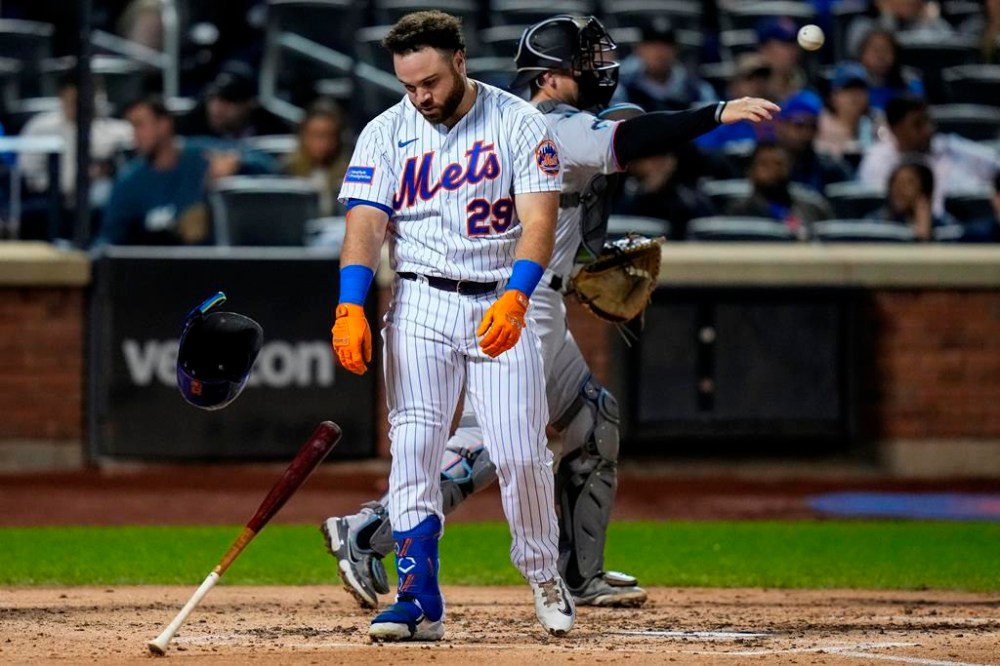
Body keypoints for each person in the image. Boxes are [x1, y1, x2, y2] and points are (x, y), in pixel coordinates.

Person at [322, 12, 778, 618]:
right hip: (512, 298)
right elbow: (629, 140)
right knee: (498, 443)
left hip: (538, 295)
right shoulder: (546, 124)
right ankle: (369, 532)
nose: (600, 72)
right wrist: (716, 113)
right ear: (554, 75)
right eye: (586, 64)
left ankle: (578, 574)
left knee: (593, 417)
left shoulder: (536, 123)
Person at [329, 10, 569, 641]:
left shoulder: (520, 123)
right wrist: (350, 303)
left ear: (460, 61)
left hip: (496, 297)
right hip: (420, 303)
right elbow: (364, 227)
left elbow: (539, 222)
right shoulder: (385, 132)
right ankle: (418, 599)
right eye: (409, 85)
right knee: (412, 450)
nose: (421, 96)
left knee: (519, 452)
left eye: (430, 81)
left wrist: (518, 295)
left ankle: (544, 573)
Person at [95, 96, 274, 247]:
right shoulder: (130, 181)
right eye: (132, 127)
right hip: (159, 273)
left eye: (140, 125)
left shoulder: (202, 154)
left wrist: (236, 162)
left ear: (164, 124)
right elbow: (108, 239)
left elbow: (268, 165)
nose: (135, 135)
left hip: (214, 267)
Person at [858, 95, 1000, 215]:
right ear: (895, 129)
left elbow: (994, 162)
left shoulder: (952, 147)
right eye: (917, 124)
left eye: (929, 121)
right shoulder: (876, 160)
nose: (928, 130)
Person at [18, 71, 133, 207]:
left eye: (88, 99)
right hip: (53, 201)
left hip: (103, 199)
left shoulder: (121, 130)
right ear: (61, 98)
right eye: (74, 101)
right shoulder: (40, 128)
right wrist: (78, 178)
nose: (82, 106)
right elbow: (30, 177)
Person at [727, 141, 833, 239]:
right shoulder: (738, 212)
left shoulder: (813, 207)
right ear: (751, 172)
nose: (773, 170)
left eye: (779, 164)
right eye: (764, 165)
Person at [613, 18, 718, 112]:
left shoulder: (697, 90)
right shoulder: (623, 89)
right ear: (638, 49)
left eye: (666, 45)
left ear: (677, 50)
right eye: (652, 45)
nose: (659, 52)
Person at [175, 61, 292, 140]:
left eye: (228, 101)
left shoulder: (273, 130)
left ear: (249, 103)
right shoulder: (191, 125)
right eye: (212, 99)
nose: (217, 108)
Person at [773, 90, 853, 193]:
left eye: (811, 127)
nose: (805, 133)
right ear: (781, 126)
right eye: (799, 125)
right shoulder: (763, 166)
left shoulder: (831, 169)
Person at [283, 98, 349, 217]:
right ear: (303, 135)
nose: (321, 143)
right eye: (315, 135)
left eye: (328, 135)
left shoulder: (351, 174)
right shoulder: (285, 170)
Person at [866, 159, 961, 240]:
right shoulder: (874, 224)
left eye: (908, 183)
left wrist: (924, 232)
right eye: (895, 183)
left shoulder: (946, 226)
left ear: (925, 190)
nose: (899, 189)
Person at [815, 62, 885, 160]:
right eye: (848, 89)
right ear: (833, 96)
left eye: (860, 89)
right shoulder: (818, 124)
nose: (854, 96)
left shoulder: (877, 121)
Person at [855, 28, 925, 112]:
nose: (880, 56)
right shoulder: (851, 84)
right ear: (862, 55)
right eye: (875, 50)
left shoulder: (909, 82)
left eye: (886, 50)